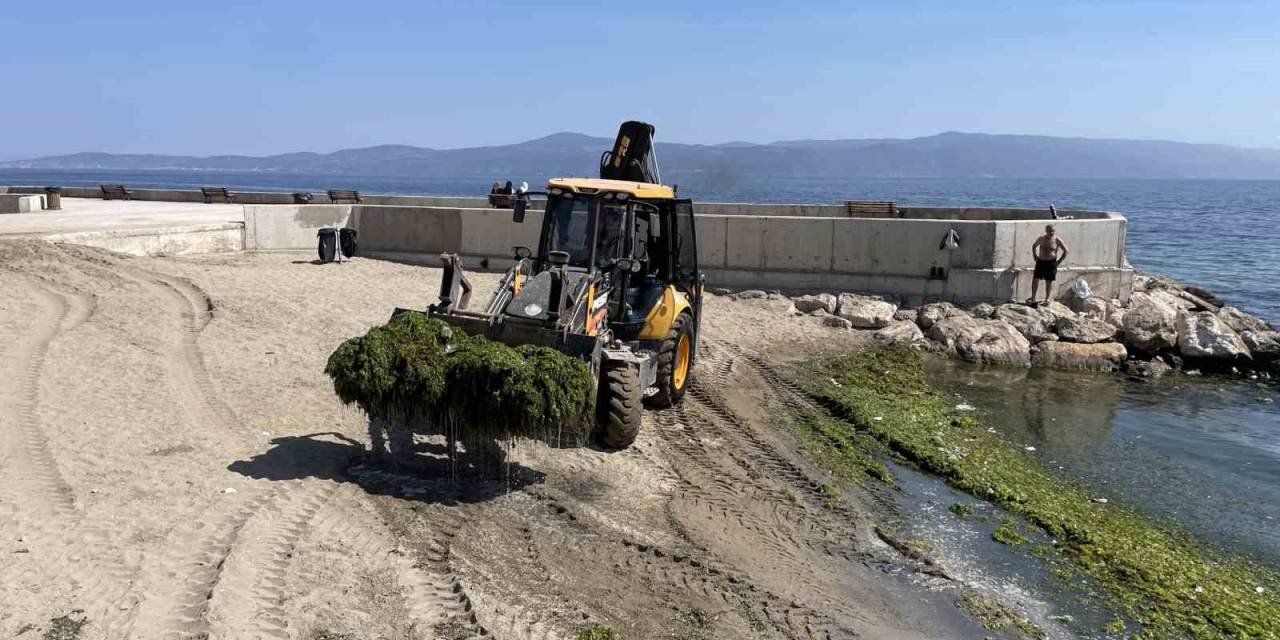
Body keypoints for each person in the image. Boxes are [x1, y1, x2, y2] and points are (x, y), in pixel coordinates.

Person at [1028, 224, 1068, 306]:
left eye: (1053, 231)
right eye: (1049, 231)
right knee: (1036, 279)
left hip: (1051, 263)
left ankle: (1047, 299)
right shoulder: (1041, 238)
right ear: (1046, 231)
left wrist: (1059, 261)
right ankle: (1033, 298)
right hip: (1041, 262)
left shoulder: (1057, 240)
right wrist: (1035, 256)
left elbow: (1066, 250)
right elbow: (1034, 246)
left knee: (1049, 282)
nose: (1051, 233)